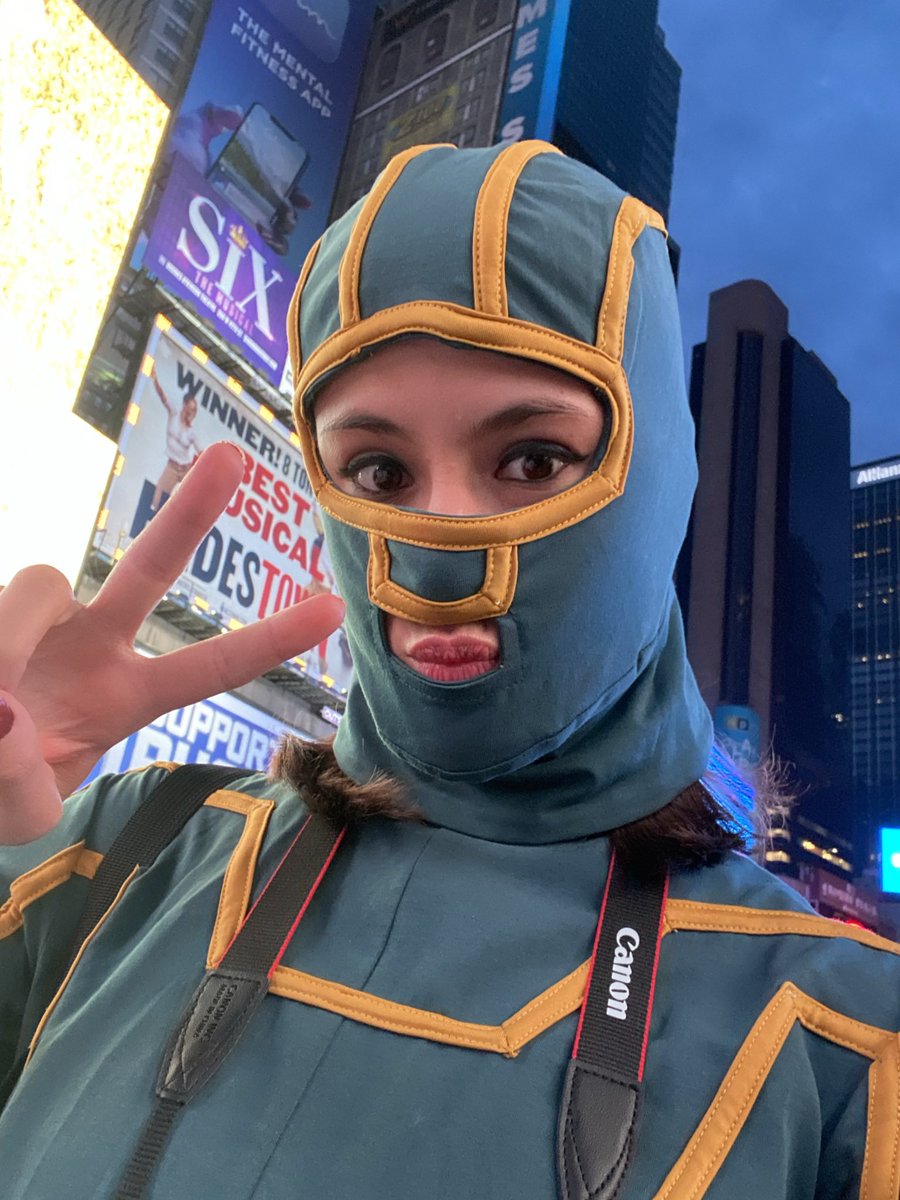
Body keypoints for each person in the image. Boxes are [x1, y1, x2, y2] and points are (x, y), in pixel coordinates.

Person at [1, 142, 898, 1200]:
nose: (436, 555)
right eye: (378, 469)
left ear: (659, 476)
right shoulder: (113, 856)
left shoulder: (844, 1051)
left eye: (532, 460)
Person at [149, 366, 204, 512]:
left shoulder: (192, 432)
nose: (191, 413)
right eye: (190, 409)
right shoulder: (173, 414)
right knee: (157, 498)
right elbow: (163, 397)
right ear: (184, 406)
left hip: (185, 469)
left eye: (194, 411)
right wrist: (155, 379)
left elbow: (202, 452)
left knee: (187, 504)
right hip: (172, 467)